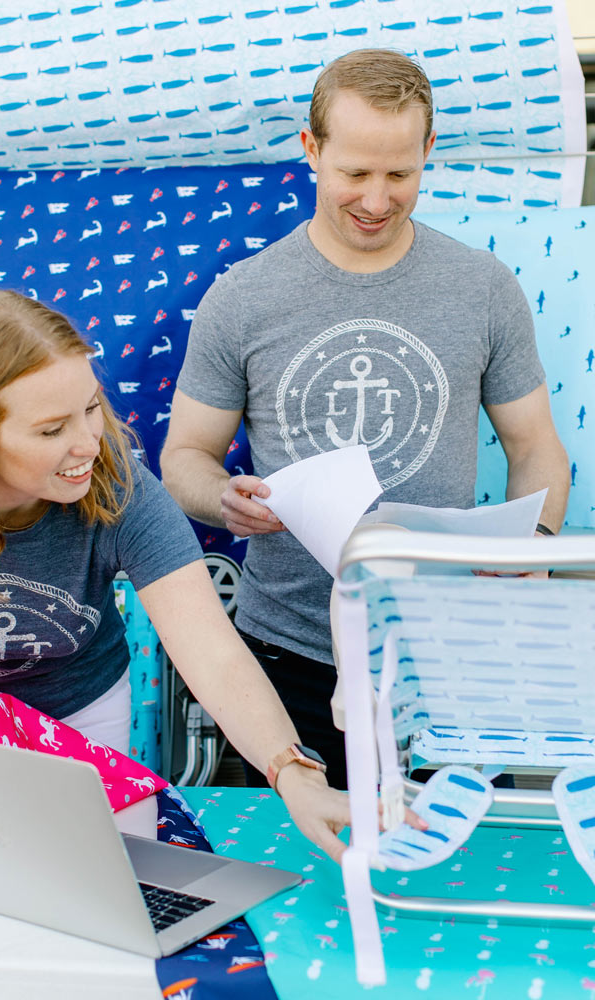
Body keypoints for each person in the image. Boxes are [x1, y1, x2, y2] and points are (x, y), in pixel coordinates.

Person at [0, 288, 400, 863]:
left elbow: (211, 651)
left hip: (75, 716)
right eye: (53, 429)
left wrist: (291, 771)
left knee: (87, 880)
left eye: (91, 409)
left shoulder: (116, 483)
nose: (89, 442)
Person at [160, 49, 570, 790]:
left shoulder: (482, 287)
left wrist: (533, 547)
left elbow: (536, 445)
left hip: (447, 652)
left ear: (427, 153)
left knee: (458, 872)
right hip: (286, 660)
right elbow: (185, 454)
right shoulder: (242, 297)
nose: (377, 199)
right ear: (311, 150)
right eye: (354, 173)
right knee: (299, 883)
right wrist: (221, 496)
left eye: (399, 175)